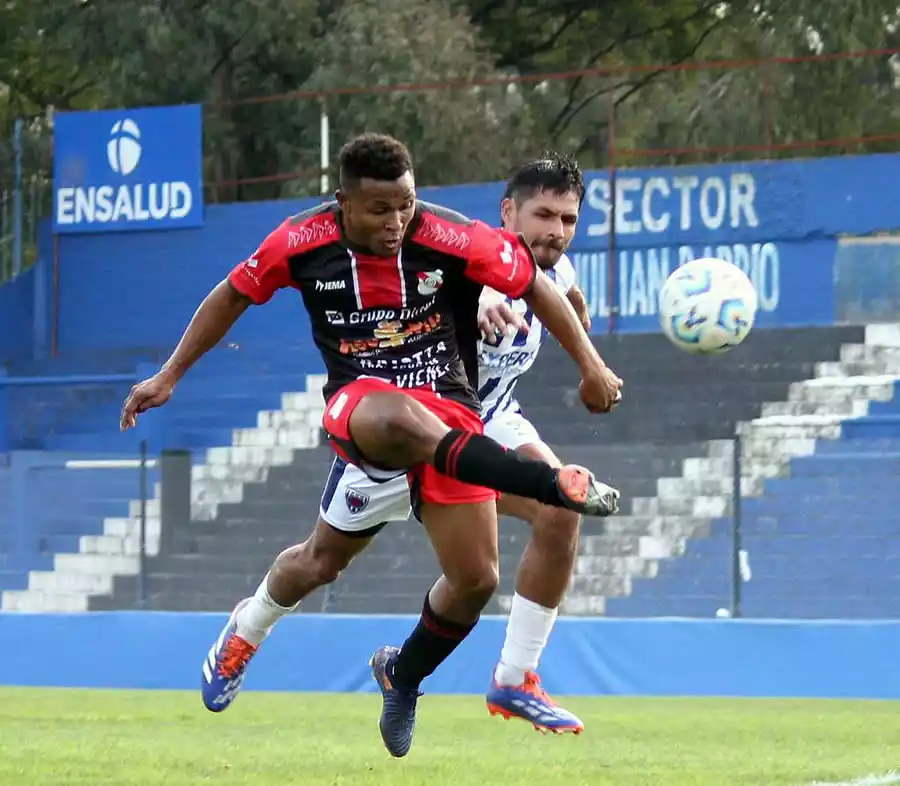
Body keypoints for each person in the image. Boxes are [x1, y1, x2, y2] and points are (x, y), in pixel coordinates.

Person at [120, 134, 623, 758]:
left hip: (459, 418)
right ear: (344, 204)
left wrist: (590, 364)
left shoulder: (452, 236)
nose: (397, 223)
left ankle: (415, 675)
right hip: (366, 414)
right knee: (320, 561)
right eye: (381, 210)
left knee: (475, 581)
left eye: (406, 206)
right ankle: (246, 629)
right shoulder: (300, 241)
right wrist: (169, 374)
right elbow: (233, 293)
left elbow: (536, 283)